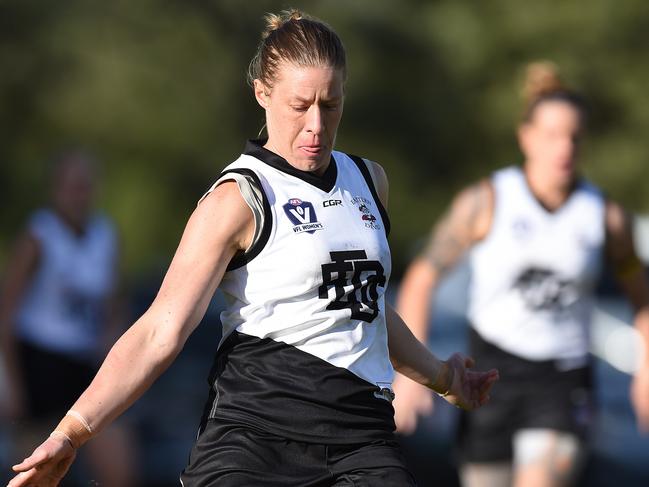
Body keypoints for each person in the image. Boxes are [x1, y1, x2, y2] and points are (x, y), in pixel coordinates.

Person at [8, 10, 498, 487]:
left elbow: (362, 308)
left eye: (330, 105)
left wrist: (442, 377)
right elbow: (161, 329)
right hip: (256, 441)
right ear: (263, 94)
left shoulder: (368, 181)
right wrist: (72, 432)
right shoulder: (240, 197)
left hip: (361, 440)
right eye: (299, 104)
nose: (316, 124)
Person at [392, 61, 649, 487]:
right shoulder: (487, 201)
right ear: (526, 137)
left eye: (574, 137)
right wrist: (412, 374)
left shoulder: (605, 218)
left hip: (563, 380)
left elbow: (642, 299)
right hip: (490, 375)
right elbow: (421, 277)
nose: (563, 148)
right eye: (552, 136)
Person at [0, 151, 137, 486]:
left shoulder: (104, 235)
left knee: (117, 460)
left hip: (83, 361)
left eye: (85, 186)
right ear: (56, 189)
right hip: (39, 362)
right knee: (35, 469)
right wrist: (9, 382)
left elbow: (112, 301)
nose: (79, 194)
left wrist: (113, 343)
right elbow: (7, 310)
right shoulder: (40, 234)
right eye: (72, 186)